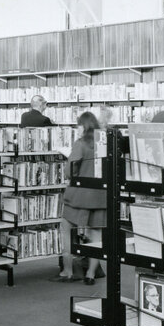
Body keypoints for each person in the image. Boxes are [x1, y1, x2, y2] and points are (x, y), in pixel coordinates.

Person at [50, 111, 105, 285]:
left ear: (83, 126)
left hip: (79, 196)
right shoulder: (104, 144)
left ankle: (67, 271)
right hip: (100, 197)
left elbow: (69, 171)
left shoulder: (80, 144)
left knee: (66, 230)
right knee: (96, 235)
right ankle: (90, 274)